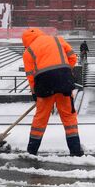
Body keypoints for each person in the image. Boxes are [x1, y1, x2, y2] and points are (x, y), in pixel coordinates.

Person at [22, 28, 83, 156]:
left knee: (40, 118)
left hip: (44, 85)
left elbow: (31, 76)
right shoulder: (57, 39)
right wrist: (64, 73)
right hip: (64, 83)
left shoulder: (28, 52)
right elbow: (72, 57)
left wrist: (34, 93)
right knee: (68, 116)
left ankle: (32, 150)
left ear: (26, 41)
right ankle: (75, 150)